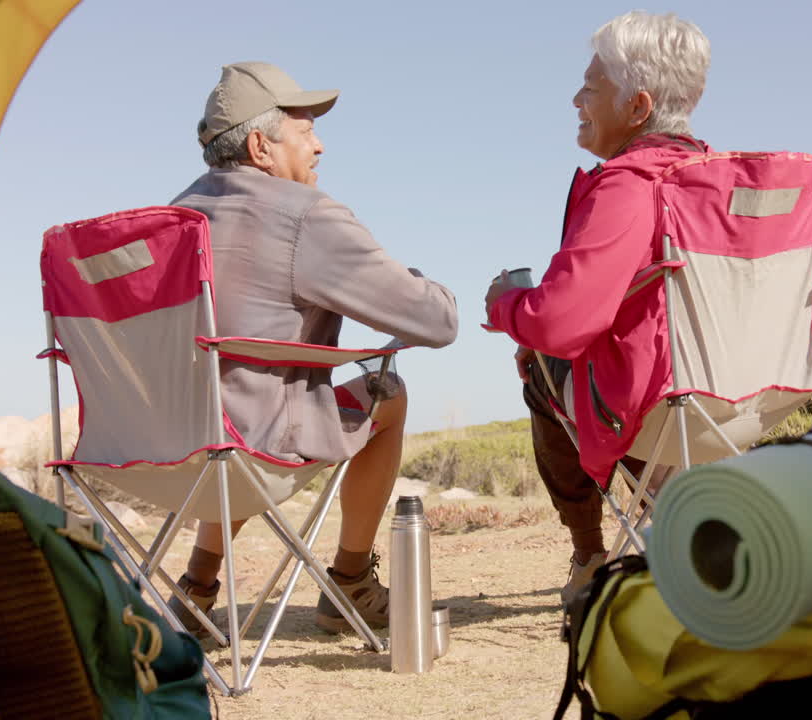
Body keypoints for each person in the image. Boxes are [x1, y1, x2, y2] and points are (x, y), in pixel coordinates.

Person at [170, 62, 458, 634]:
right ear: (260, 146)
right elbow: (436, 320)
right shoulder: (304, 216)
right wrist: (413, 281)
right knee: (387, 395)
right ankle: (350, 581)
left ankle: (198, 587)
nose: (319, 143)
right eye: (303, 131)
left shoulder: (170, 219)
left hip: (156, 451)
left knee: (228, 397)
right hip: (254, 448)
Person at [484, 11, 712, 606]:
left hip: (660, 409)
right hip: (750, 400)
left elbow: (558, 322)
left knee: (538, 357)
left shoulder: (630, 184)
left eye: (592, 85)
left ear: (637, 107)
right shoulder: (728, 184)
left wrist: (507, 305)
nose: (577, 98)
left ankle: (589, 551)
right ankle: (681, 509)